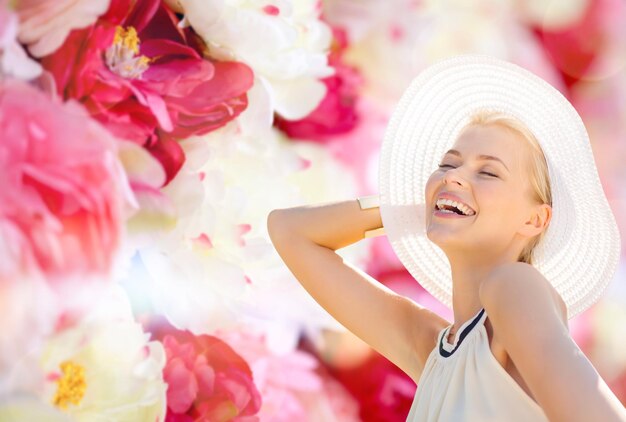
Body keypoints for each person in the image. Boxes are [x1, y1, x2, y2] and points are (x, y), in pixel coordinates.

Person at [267, 54, 626, 421]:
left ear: (535, 219)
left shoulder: (514, 285)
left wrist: (448, 199)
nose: (454, 176)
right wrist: (424, 205)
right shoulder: (433, 351)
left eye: (488, 172)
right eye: (449, 164)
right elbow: (290, 232)